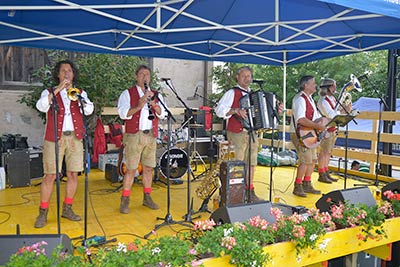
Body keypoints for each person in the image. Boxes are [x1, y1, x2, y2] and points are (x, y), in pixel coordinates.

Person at [34, 59, 94, 228]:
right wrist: (58, 89)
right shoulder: (48, 92)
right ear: (58, 75)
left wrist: (79, 98)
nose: (67, 73)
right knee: (50, 176)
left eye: (69, 71)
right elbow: (41, 106)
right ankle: (43, 212)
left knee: (73, 174)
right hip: (54, 138)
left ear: (73, 74)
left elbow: (89, 110)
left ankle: (67, 208)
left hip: (75, 137)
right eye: (63, 71)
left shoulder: (79, 92)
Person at [117, 65, 167, 214]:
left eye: (147, 74)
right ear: (136, 77)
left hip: (150, 135)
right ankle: (125, 200)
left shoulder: (156, 94)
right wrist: (139, 105)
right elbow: (123, 114)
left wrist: (154, 104)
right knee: (131, 169)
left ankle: (147, 197)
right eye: (142, 74)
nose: (145, 77)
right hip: (134, 135)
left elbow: (162, 114)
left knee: (148, 168)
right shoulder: (127, 93)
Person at [215, 66, 263, 203]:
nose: (247, 79)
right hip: (237, 133)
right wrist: (235, 110)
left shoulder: (254, 94)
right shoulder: (232, 93)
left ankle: (250, 191)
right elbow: (219, 111)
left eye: (249, 76)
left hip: (252, 133)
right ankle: (235, 193)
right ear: (237, 77)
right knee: (237, 163)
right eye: (244, 76)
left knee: (251, 163)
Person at [289, 75, 325, 197]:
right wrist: (318, 126)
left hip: (308, 132)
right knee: (305, 160)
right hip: (300, 133)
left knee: (312, 159)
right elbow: (300, 119)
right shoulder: (300, 99)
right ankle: (298, 185)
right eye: (313, 83)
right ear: (306, 85)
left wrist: (320, 122)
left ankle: (307, 182)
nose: (315, 85)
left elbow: (312, 118)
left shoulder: (309, 98)